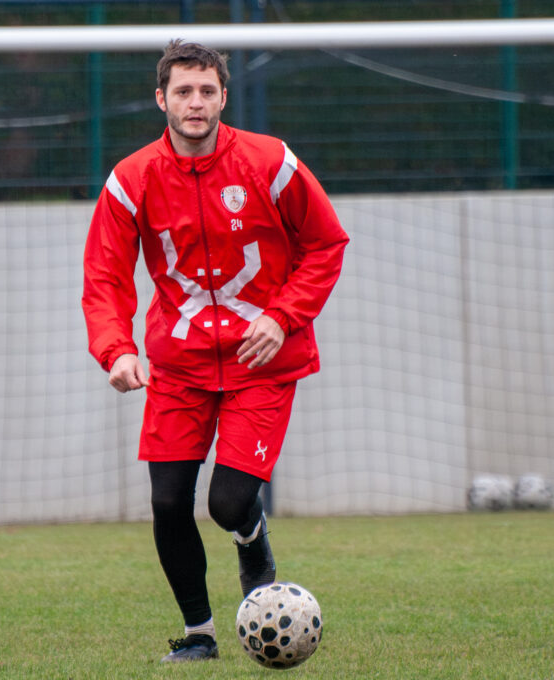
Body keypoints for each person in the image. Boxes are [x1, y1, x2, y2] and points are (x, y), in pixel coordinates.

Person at [82, 39, 348, 663]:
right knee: (168, 500)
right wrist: (116, 349)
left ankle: (251, 536)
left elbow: (326, 243)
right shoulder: (131, 180)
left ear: (224, 96)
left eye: (206, 91)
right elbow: (105, 275)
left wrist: (282, 318)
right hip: (179, 364)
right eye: (183, 91)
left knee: (226, 503)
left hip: (262, 363)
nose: (195, 103)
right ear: (161, 99)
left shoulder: (271, 162)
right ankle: (199, 635)